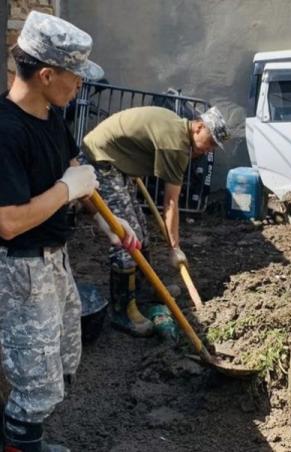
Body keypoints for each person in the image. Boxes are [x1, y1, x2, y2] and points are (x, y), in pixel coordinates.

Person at [0, 11, 139, 452]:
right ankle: (22, 445)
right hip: (19, 270)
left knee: (63, 358)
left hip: (53, 259)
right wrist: (64, 189)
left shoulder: (51, 118)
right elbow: (8, 221)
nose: (80, 85)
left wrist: (111, 227)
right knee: (35, 383)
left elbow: (76, 175)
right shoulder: (5, 131)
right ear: (45, 74)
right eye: (74, 76)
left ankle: (26, 438)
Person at [81, 105, 230, 336]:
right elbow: (170, 203)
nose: (209, 150)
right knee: (126, 239)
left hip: (118, 162)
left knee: (141, 231)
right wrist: (175, 248)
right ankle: (123, 310)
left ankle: (144, 291)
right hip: (101, 160)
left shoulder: (179, 129)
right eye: (210, 143)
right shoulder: (176, 145)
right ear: (199, 127)